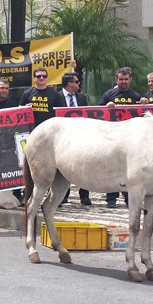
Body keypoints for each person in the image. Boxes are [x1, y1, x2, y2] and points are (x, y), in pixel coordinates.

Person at [98, 67, 144, 207]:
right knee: (111, 169)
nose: (123, 82)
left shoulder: (136, 95)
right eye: (121, 79)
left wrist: (144, 103)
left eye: (126, 79)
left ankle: (129, 199)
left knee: (129, 170)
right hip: (112, 138)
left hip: (130, 139)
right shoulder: (109, 94)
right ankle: (111, 199)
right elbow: (97, 111)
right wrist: (107, 106)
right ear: (116, 79)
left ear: (130, 79)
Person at [57, 72, 91, 205]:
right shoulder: (57, 97)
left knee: (84, 163)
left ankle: (84, 195)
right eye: (76, 82)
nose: (78, 84)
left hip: (80, 136)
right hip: (62, 137)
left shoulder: (81, 97)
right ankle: (63, 196)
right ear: (69, 83)